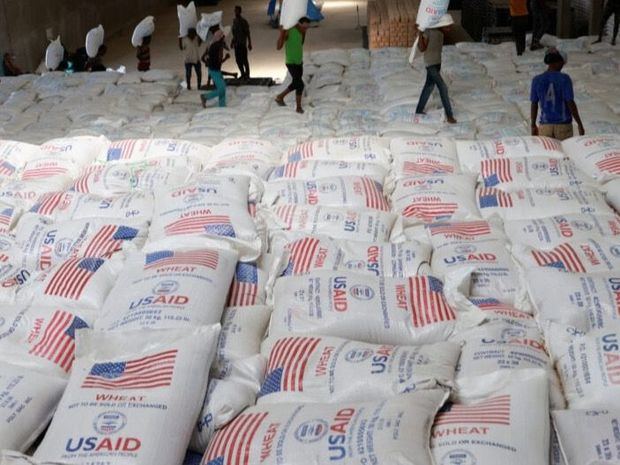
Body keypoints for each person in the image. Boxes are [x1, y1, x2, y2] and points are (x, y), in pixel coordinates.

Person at [530, 48, 585, 140]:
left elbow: (534, 104)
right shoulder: (564, 79)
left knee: (548, 153)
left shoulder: (537, 80)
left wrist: (533, 125)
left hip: (545, 126)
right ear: (558, 62)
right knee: (564, 152)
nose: (562, 66)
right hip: (563, 126)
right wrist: (579, 124)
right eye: (562, 63)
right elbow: (570, 102)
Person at [414, 15, 457, 124]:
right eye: (447, 27)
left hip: (437, 63)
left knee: (428, 87)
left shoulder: (441, 34)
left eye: (450, 27)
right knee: (442, 87)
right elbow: (422, 48)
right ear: (441, 25)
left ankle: (418, 110)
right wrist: (419, 33)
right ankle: (449, 115)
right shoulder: (429, 32)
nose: (449, 29)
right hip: (430, 64)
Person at [275, 17, 311, 114]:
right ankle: (298, 107)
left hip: (299, 61)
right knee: (300, 84)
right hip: (291, 62)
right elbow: (278, 47)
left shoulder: (303, 32)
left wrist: (303, 32)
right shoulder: (289, 30)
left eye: (307, 28)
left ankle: (280, 97)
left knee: (296, 83)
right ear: (299, 24)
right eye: (304, 27)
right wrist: (282, 33)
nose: (305, 29)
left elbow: (301, 43)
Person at [200, 30, 230, 108]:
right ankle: (205, 97)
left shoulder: (212, 44)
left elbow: (203, 58)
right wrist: (226, 58)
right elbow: (219, 61)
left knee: (222, 88)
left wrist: (208, 62)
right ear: (221, 38)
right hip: (214, 70)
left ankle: (222, 106)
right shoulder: (218, 47)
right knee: (221, 89)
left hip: (213, 69)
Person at [232, 6, 252, 81]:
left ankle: (247, 75)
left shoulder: (243, 21)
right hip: (236, 44)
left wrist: (250, 43)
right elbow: (234, 34)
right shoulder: (234, 21)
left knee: (244, 60)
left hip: (242, 43)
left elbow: (248, 33)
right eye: (235, 11)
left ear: (240, 11)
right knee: (238, 60)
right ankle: (242, 73)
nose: (235, 12)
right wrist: (232, 41)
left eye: (237, 11)